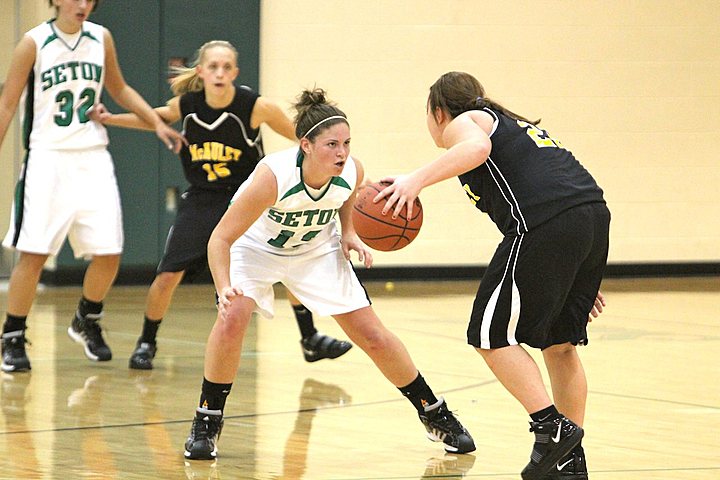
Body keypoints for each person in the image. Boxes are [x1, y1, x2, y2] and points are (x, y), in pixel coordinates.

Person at [182, 88, 476, 460]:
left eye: (347, 143)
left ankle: (435, 413)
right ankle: (207, 420)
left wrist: (349, 232)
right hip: (254, 248)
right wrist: (224, 288)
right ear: (305, 145)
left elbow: (345, 201)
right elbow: (220, 238)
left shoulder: (353, 171)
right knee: (231, 319)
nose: (342, 152)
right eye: (332, 144)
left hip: (314, 249)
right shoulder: (272, 177)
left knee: (373, 335)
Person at [376, 71, 610, 480]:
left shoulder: (467, 120)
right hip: (590, 217)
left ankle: (550, 429)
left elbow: (477, 148)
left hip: (547, 222)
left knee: (489, 334)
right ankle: (568, 460)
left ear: (437, 112)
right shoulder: (514, 126)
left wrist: (416, 180)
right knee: (560, 346)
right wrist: (572, 270)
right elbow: (568, 191)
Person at [90, 40, 352, 370]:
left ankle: (309, 338)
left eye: (227, 67)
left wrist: (344, 168)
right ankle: (147, 341)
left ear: (235, 73)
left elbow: (304, 139)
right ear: (200, 71)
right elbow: (152, 119)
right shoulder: (187, 104)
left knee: (288, 259)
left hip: (248, 198)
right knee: (168, 274)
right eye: (213, 66)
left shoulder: (255, 107)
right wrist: (110, 118)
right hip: (202, 197)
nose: (219, 73)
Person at [0, 0, 184, 373]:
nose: (83, 4)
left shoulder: (101, 37)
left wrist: (155, 121)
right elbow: (7, 104)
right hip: (47, 158)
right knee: (33, 254)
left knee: (109, 251)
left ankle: (87, 318)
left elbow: (119, 88)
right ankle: (13, 335)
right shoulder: (33, 43)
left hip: (93, 156)